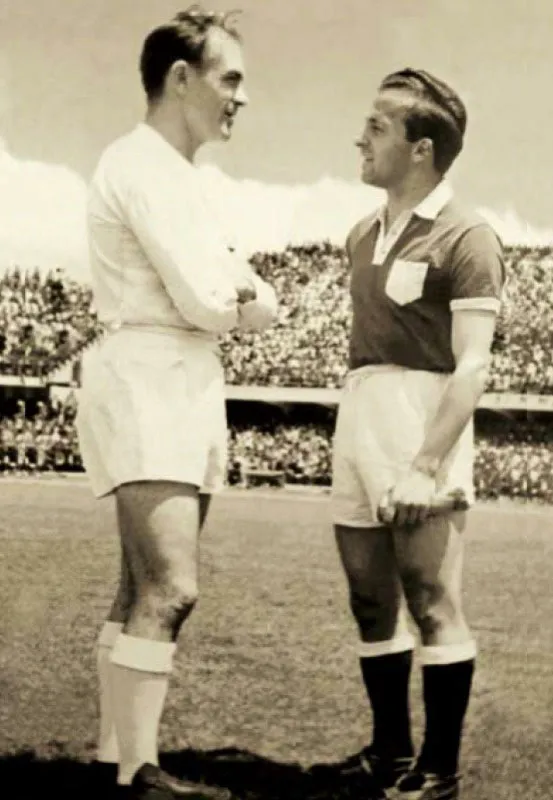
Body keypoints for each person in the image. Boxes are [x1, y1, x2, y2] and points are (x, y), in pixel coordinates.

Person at [76, 6, 278, 799]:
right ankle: (139, 772)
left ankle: (111, 760)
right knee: (171, 588)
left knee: (138, 590)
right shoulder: (140, 165)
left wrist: (241, 291)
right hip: (151, 373)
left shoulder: (185, 176)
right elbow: (209, 297)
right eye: (231, 79)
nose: (242, 98)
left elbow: (238, 283)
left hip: (181, 375)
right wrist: (245, 298)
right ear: (181, 78)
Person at [309, 69, 505, 800]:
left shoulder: (467, 234)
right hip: (358, 408)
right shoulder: (360, 233)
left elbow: (473, 364)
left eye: (377, 128)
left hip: (421, 417)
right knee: (369, 599)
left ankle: (439, 769)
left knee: (429, 597)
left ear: (420, 149)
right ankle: (389, 751)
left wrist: (425, 462)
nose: (361, 138)